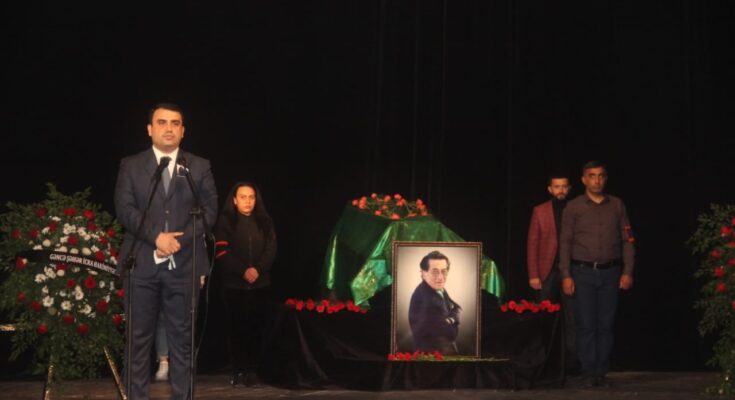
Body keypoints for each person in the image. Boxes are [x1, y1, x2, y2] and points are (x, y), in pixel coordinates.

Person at [114, 102, 218, 399]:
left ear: (183, 131)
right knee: (137, 343)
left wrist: (178, 242)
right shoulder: (131, 165)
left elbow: (209, 211)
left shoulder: (198, 166)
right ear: (150, 129)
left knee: (182, 343)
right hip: (141, 265)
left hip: (185, 265)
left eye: (175, 123)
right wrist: (156, 237)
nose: (169, 128)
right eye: (162, 122)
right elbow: (125, 209)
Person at [559, 160, 635, 388]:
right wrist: (566, 274)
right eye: (592, 176)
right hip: (582, 272)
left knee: (605, 325)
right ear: (584, 180)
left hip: (611, 272)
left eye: (601, 176)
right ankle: (588, 372)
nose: (597, 180)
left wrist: (628, 271)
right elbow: (565, 242)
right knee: (586, 325)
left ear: (605, 179)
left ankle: (601, 372)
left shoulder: (617, 205)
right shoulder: (574, 207)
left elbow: (628, 240)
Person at [213, 182, 277, 387]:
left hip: (260, 285)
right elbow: (221, 252)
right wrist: (243, 271)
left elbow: (271, 249)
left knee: (257, 329)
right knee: (236, 330)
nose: (248, 201)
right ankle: (238, 370)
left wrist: (258, 269)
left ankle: (253, 370)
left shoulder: (265, 221)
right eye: (243, 197)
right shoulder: (225, 222)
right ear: (234, 200)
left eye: (251, 197)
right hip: (234, 286)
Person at [527, 173, 578, 376]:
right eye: (557, 187)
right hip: (546, 272)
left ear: (569, 188)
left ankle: (572, 365)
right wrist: (533, 274)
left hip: (571, 271)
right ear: (550, 189)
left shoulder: (576, 209)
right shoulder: (540, 211)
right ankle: (543, 363)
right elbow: (532, 243)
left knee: (572, 319)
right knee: (544, 318)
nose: (561, 190)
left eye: (564, 186)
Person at [408, 250, 461, 355]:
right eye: (435, 272)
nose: (440, 277)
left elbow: (457, 308)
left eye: (444, 271)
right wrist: (453, 320)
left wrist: (450, 319)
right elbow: (449, 333)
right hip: (434, 355)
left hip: (445, 350)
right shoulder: (424, 297)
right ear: (423, 273)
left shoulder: (438, 289)